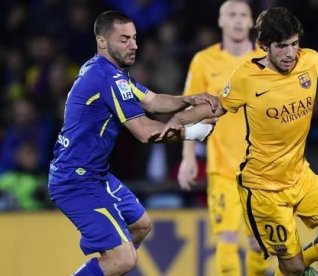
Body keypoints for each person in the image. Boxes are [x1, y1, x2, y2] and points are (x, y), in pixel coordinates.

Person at [158, 7, 318, 276]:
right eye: (281, 47)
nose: (290, 54)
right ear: (265, 45)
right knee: (286, 266)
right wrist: (179, 120)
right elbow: (216, 107)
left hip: (301, 176)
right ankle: (297, 269)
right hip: (264, 189)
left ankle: (302, 267)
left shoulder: (307, 60)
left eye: (294, 44)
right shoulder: (247, 77)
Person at [47, 10, 217, 276]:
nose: (134, 45)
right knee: (124, 259)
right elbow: (144, 131)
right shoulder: (106, 78)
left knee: (141, 225)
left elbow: (152, 101)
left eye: (135, 38)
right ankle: (111, 255)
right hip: (75, 181)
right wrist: (192, 133)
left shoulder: (110, 72)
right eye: (124, 39)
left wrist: (190, 99)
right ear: (102, 42)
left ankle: (108, 258)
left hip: (95, 174)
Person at [177, 1, 268, 275]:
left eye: (243, 15)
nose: (238, 21)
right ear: (221, 22)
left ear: (252, 22)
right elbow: (191, 112)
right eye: (232, 15)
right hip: (222, 169)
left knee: (258, 246)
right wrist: (188, 157)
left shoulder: (265, 61)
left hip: (262, 169)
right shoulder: (204, 61)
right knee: (226, 244)